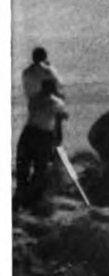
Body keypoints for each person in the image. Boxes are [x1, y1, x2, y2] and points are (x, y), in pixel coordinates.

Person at [15, 79, 68, 211]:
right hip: (43, 135)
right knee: (40, 169)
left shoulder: (34, 99)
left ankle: (21, 197)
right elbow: (59, 121)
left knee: (23, 167)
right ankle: (32, 199)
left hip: (28, 133)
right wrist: (58, 140)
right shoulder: (56, 102)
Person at [22, 47, 64, 144]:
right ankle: (56, 142)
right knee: (57, 117)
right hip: (49, 105)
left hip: (34, 107)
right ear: (45, 57)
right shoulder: (48, 70)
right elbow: (58, 83)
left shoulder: (27, 72)